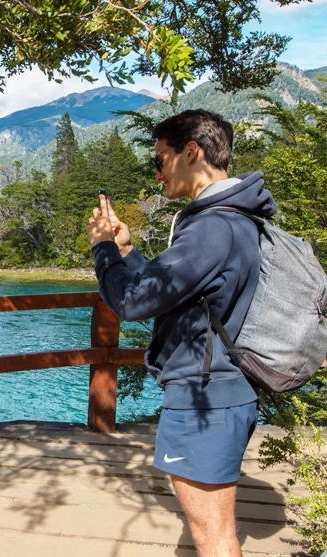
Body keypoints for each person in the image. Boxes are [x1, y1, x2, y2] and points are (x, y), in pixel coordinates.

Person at [86, 110, 273, 557]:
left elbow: (132, 303)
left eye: (161, 159)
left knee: (213, 536)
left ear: (191, 152)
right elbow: (176, 292)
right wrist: (129, 252)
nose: (157, 172)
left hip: (204, 399)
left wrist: (104, 250)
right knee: (214, 531)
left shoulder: (211, 227)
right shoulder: (234, 219)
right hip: (223, 392)